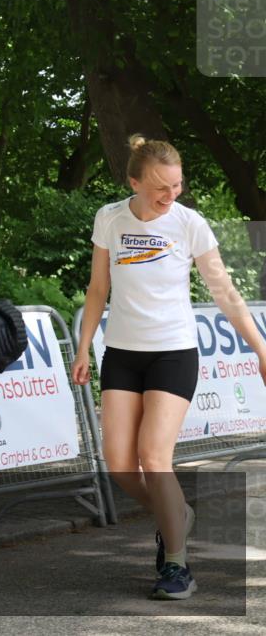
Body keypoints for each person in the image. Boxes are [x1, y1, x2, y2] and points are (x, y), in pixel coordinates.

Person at [71, 135, 266, 600]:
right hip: (122, 353)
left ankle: (177, 564)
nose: (170, 195)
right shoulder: (109, 218)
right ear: (134, 183)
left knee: (154, 458)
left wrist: (261, 348)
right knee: (120, 466)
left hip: (173, 353)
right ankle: (176, 513)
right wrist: (82, 348)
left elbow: (225, 292)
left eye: (176, 186)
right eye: (161, 187)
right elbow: (98, 289)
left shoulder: (189, 223)